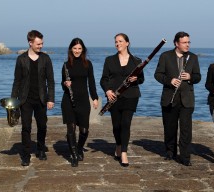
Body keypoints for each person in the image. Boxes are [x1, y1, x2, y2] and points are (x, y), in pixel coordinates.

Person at [154, 31, 201, 166]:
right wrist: (170, 80)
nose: (188, 45)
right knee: (170, 128)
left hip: (187, 99)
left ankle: (185, 157)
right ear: (176, 43)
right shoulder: (165, 56)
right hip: (169, 98)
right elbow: (158, 75)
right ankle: (170, 152)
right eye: (185, 42)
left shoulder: (193, 57)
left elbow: (198, 77)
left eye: (188, 42)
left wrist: (191, 77)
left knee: (186, 130)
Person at [11, 30, 55, 166]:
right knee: (26, 127)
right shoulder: (21, 59)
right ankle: (26, 154)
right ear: (30, 43)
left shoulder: (46, 59)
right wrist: (13, 102)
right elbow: (16, 81)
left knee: (42, 126)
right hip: (25, 100)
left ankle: (41, 149)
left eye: (42, 43)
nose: (40, 46)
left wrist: (51, 99)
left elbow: (51, 81)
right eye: (38, 44)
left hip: (42, 99)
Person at [100, 33, 144, 167]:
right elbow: (104, 79)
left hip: (131, 96)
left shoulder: (136, 61)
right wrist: (107, 90)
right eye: (116, 42)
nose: (117, 44)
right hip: (114, 97)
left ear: (127, 43)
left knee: (126, 123)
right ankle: (118, 144)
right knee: (116, 125)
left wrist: (136, 79)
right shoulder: (109, 60)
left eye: (120, 41)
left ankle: (124, 152)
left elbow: (141, 79)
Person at [61, 38, 99, 167]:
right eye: (75, 48)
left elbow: (91, 82)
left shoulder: (88, 64)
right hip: (68, 100)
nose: (77, 51)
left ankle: (79, 148)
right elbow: (62, 84)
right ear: (71, 49)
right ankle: (74, 155)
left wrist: (94, 98)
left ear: (83, 50)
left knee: (84, 130)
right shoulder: (66, 65)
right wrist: (65, 83)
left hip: (83, 100)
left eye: (79, 48)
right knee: (71, 129)